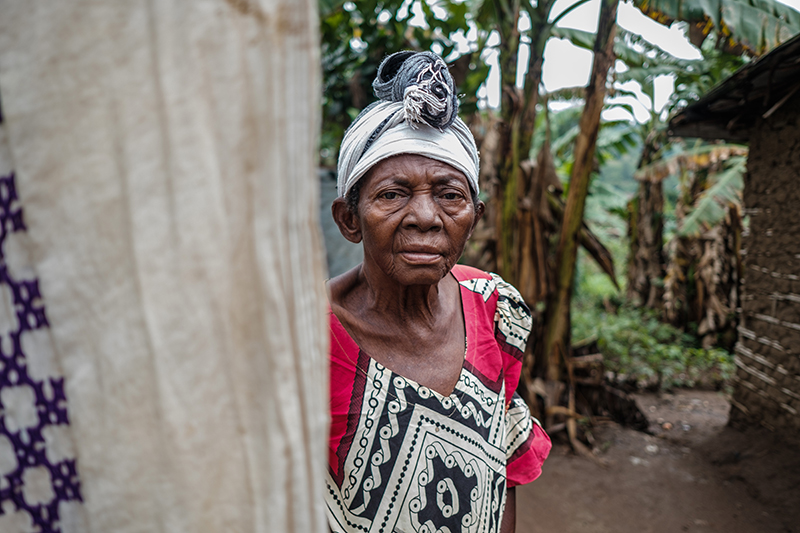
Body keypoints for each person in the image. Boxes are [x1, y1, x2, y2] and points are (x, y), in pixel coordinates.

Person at [326, 50, 551, 533]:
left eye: (450, 195)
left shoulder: (494, 307)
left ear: (474, 218)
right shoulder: (298, 340)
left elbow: (503, 471)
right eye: (393, 193)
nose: (426, 217)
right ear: (349, 218)